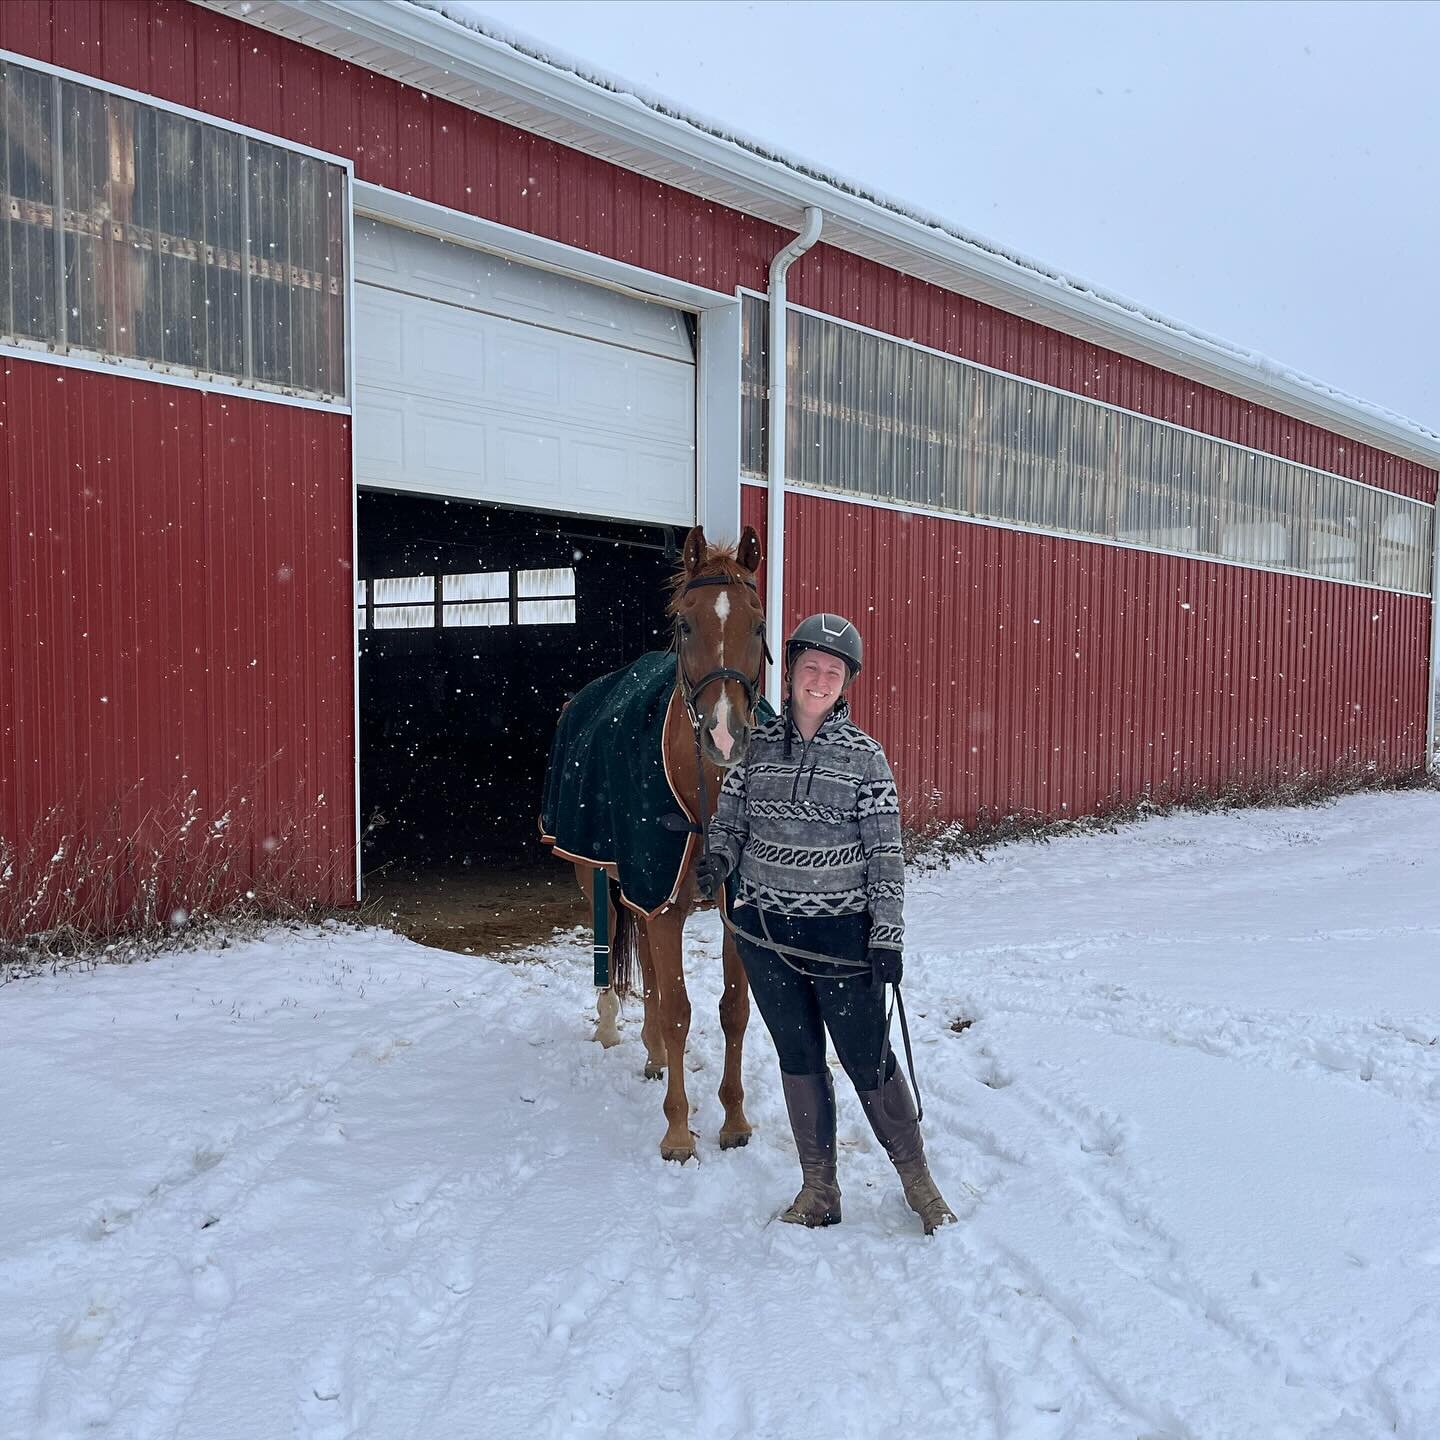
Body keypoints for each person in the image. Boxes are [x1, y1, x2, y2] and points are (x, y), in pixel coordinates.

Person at [696, 613, 956, 1234]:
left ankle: (919, 1184)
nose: (819, 679)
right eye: (810, 667)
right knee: (798, 1056)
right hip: (764, 937)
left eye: (832, 671)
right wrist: (719, 859)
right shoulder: (755, 748)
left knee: (868, 1059)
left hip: (842, 938)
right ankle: (819, 1188)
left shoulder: (866, 759)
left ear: (846, 684)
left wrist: (886, 937)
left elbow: (885, 857)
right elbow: (731, 822)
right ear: (790, 675)